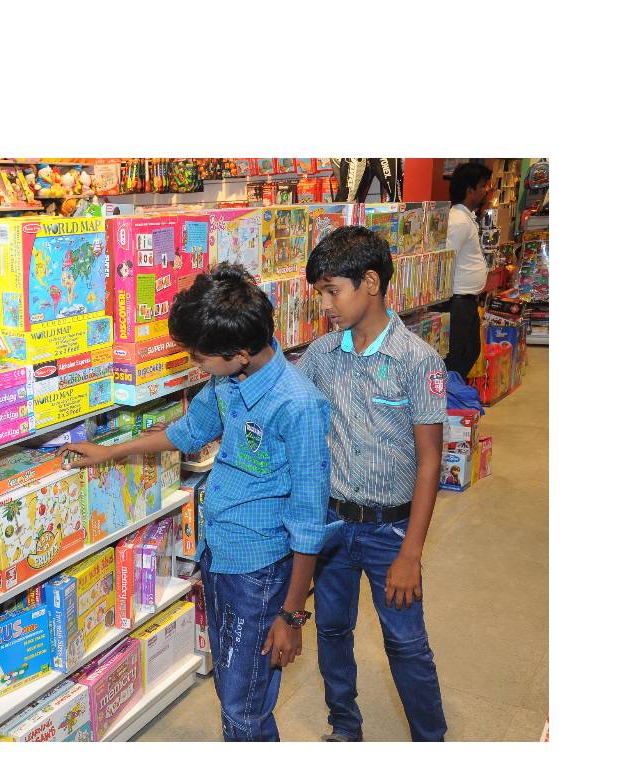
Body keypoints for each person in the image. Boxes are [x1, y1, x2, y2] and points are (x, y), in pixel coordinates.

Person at [64, 263, 331, 742]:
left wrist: (291, 616)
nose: (195, 365)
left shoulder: (298, 405)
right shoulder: (228, 381)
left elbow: (310, 519)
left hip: (261, 571)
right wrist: (109, 453)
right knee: (232, 681)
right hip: (220, 555)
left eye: (200, 357)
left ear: (239, 352)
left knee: (243, 700)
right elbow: (187, 432)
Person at [297, 225, 448, 742]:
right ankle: (345, 726)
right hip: (335, 528)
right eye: (319, 292)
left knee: (405, 642)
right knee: (332, 630)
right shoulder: (321, 356)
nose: (325, 304)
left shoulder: (417, 360)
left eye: (332, 291)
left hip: (391, 532)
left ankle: (431, 738)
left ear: (371, 283)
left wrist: (411, 552)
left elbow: (430, 461)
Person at [438, 161, 493, 377]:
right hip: (457, 302)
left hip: (466, 301)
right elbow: (445, 261)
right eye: (482, 186)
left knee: (469, 351)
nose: (486, 190)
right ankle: (448, 402)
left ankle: (455, 396)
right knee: (456, 357)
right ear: (470, 190)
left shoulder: (466, 218)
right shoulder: (459, 221)